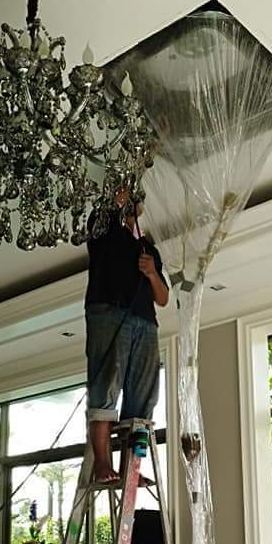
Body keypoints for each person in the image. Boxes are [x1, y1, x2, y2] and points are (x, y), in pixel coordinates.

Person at [85, 189, 169, 482]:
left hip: (146, 322)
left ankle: (132, 469)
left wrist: (152, 274)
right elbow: (97, 220)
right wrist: (117, 197)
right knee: (106, 384)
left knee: (145, 397)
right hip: (109, 312)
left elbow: (163, 298)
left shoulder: (148, 249)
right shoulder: (104, 229)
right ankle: (102, 463)